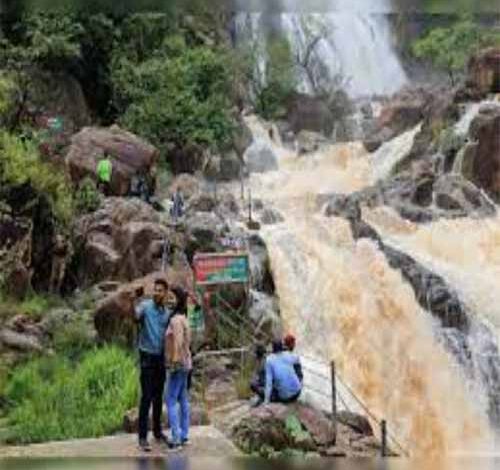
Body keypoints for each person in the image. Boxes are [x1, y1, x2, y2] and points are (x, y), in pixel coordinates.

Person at [135, 278, 172, 452]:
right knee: (146, 397)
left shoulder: (167, 313)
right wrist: (132, 300)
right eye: (155, 289)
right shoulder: (145, 306)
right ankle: (142, 437)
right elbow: (135, 316)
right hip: (147, 358)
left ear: (165, 293)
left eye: (160, 290)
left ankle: (157, 432)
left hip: (160, 359)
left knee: (158, 397)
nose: (157, 293)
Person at [165, 286, 192, 450]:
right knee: (183, 399)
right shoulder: (184, 317)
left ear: (179, 300)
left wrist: (174, 361)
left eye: (172, 298)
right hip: (187, 363)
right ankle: (184, 435)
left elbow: (178, 341)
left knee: (170, 400)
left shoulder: (175, 320)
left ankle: (175, 439)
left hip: (179, 364)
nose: (169, 300)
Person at [264, 339, 302, 405]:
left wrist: (266, 401)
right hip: (297, 392)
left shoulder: (269, 360)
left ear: (273, 348)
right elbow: (297, 358)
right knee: (294, 367)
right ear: (282, 347)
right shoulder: (288, 354)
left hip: (285, 398)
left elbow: (269, 383)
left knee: (267, 386)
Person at [249, 343, 267, 407]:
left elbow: (256, 375)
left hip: (265, 386)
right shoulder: (262, 360)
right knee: (252, 383)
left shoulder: (263, 362)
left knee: (252, 384)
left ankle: (261, 397)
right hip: (264, 385)